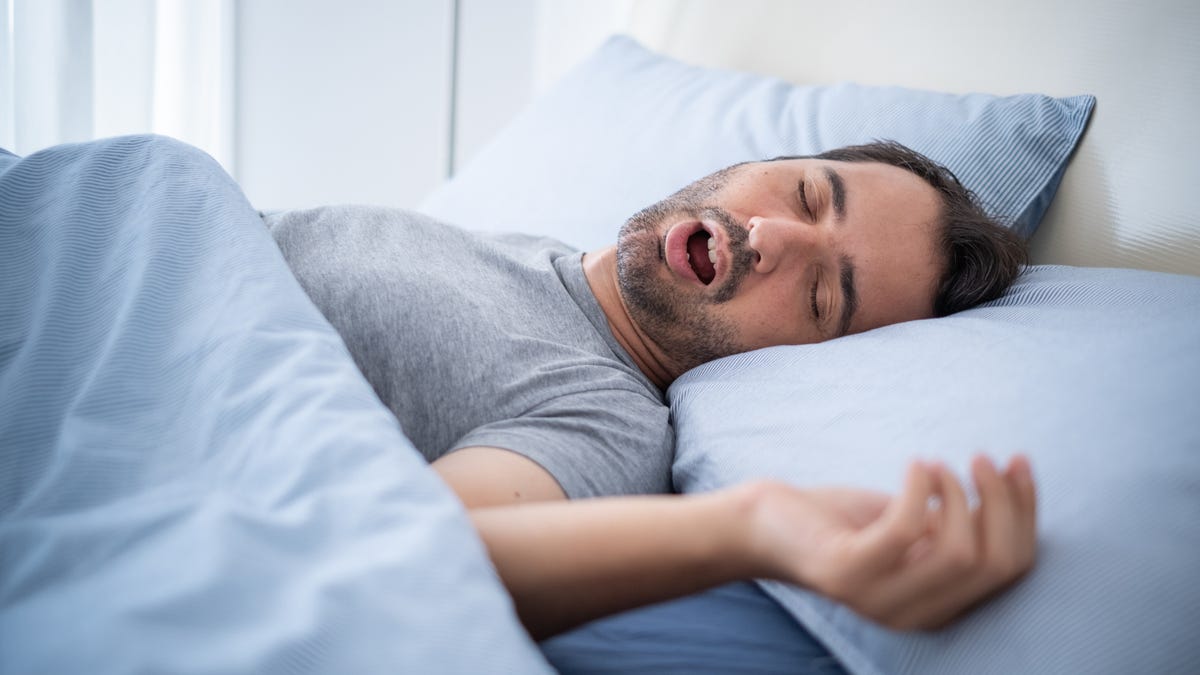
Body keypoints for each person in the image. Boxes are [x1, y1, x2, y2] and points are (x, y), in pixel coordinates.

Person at [267, 140, 1035, 641]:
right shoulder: (535, 254)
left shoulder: (609, 418)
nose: (773, 236)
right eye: (805, 193)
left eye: (822, 299)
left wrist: (753, 527)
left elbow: (421, 555)